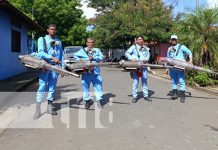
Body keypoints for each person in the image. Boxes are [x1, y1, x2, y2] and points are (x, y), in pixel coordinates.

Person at [33, 24, 64, 120]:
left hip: (55, 67)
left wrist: (62, 68)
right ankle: (38, 110)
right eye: (51, 29)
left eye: (54, 29)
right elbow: (40, 52)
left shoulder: (58, 41)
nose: (53, 31)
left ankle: (50, 107)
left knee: (52, 87)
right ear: (47, 30)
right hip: (45, 65)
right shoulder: (41, 39)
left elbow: (61, 55)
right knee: (42, 86)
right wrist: (52, 57)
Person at [74, 38, 104, 109]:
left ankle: (99, 101)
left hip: (96, 72)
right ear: (86, 43)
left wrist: (94, 58)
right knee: (85, 87)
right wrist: (82, 60)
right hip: (86, 73)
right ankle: (87, 101)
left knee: (98, 87)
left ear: (93, 43)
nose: (90, 44)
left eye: (92, 42)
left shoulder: (97, 50)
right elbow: (75, 56)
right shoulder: (82, 50)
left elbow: (102, 57)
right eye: (89, 42)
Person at [125, 36, 152, 103]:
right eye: (139, 39)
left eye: (141, 39)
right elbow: (127, 53)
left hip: (144, 66)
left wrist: (146, 59)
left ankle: (146, 96)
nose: (140, 40)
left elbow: (148, 55)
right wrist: (131, 58)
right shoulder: (133, 47)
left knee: (144, 81)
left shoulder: (145, 47)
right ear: (136, 40)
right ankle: (135, 96)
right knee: (135, 82)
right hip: (136, 67)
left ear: (143, 40)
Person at [167, 35, 193, 103]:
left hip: (180, 67)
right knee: (173, 81)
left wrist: (190, 60)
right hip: (172, 67)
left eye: (175, 39)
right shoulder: (169, 48)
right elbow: (168, 58)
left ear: (177, 40)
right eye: (172, 39)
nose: (173, 40)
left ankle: (182, 96)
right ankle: (175, 95)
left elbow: (189, 52)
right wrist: (167, 67)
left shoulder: (181, 47)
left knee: (181, 81)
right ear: (171, 40)